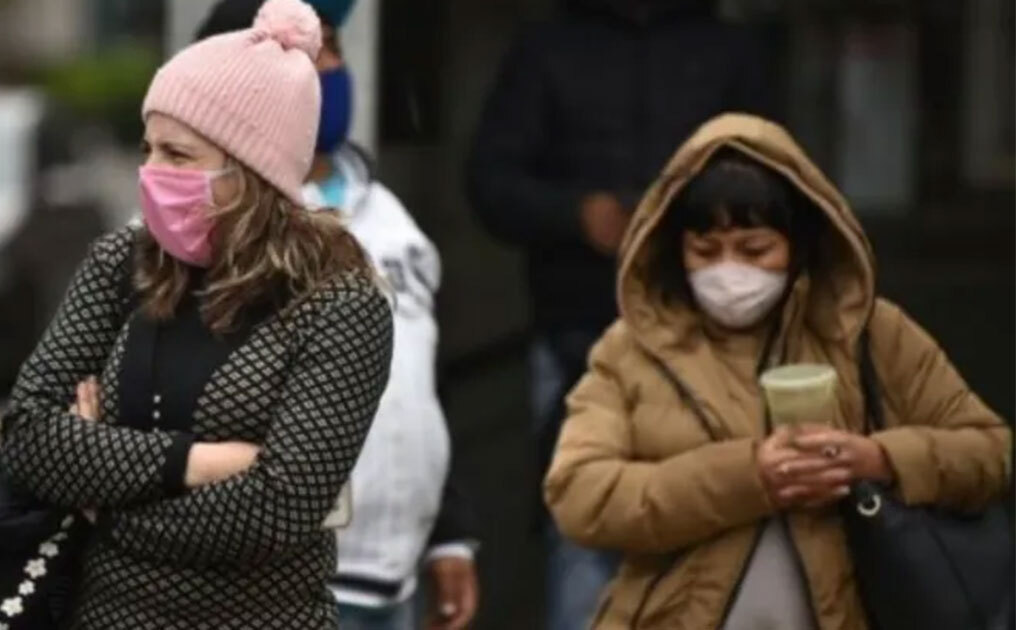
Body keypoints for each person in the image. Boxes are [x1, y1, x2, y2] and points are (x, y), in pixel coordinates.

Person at [0, 1, 394, 627]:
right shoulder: (119, 263)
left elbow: (279, 510)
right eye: (148, 148)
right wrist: (196, 463)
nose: (151, 173)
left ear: (254, 172)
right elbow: (27, 437)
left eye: (179, 156)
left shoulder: (339, 302)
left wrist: (101, 497)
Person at [543, 113, 1011, 629]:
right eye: (705, 251)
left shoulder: (869, 332)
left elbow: (991, 452)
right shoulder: (633, 350)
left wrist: (878, 459)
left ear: (801, 243)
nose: (729, 270)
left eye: (754, 249)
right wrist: (749, 476)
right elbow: (580, 494)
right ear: (674, 250)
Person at [465, 2, 774, 625]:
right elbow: (489, 181)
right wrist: (576, 214)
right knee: (583, 536)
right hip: (578, 337)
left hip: (713, 341)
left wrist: (698, 219)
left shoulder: (726, 49)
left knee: (715, 537)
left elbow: (778, 176)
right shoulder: (546, 47)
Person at [190, 2, 480, 629]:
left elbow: (420, 381)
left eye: (332, 47)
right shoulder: (202, 234)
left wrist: (448, 534)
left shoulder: (389, 216)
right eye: (303, 49)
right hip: (273, 582)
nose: (326, 65)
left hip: (391, 575)